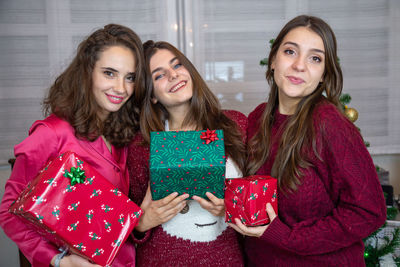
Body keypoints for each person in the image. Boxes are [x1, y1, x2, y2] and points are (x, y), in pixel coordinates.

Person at [229, 15, 387, 266]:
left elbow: (369, 212)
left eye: (315, 58)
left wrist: (286, 237)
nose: (299, 65)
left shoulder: (329, 123)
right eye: (290, 51)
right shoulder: (258, 118)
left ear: (324, 74)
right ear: (273, 60)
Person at [0, 24, 145, 267]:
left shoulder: (122, 132)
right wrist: (59, 261)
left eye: (129, 77)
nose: (121, 88)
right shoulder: (51, 133)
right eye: (109, 73)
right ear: (87, 72)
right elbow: (9, 213)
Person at [127, 40, 247, 266]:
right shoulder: (141, 146)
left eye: (177, 65)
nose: (173, 75)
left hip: (226, 259)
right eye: (159, 75)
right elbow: (126, 223)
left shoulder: (236, 125)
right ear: (152, 95)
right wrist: (141, 224)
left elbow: (258, 198)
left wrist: (232, 207)